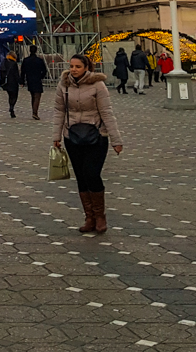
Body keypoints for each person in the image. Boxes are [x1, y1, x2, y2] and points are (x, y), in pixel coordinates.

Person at [54, 53, 123, 233]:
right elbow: (59, 111)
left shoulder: (97, 85)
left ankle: (100, 216)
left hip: (96, 136)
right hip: (72, 136)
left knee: (92, 174)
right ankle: (89, 217)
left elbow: (107, 112)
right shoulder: (64, 85)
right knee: (81, 177)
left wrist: (116, 139)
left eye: (78, 66)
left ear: (87, 67)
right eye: (72, 66)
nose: (74, 70)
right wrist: (56, 136)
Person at [20, 46, 48, 120]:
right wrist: (41, 77)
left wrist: (22, 81)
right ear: (36, 51)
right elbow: (44, 70)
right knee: (37, 96)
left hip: (29, 80)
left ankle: (34, 111)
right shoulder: (39, 60)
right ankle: (35, 112)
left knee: (33, 95)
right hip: (37, 79)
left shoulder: (26, 60)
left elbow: (23, 72)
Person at [0, 52, 21, 118]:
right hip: (13, 82)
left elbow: (1, 71)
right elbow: (16, 74)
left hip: (6, 82)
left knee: (10, 95)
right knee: (15, 96)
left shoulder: (4, 62)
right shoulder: (14, 63)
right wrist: (20, 82)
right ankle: (12, 107)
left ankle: (11, 107)